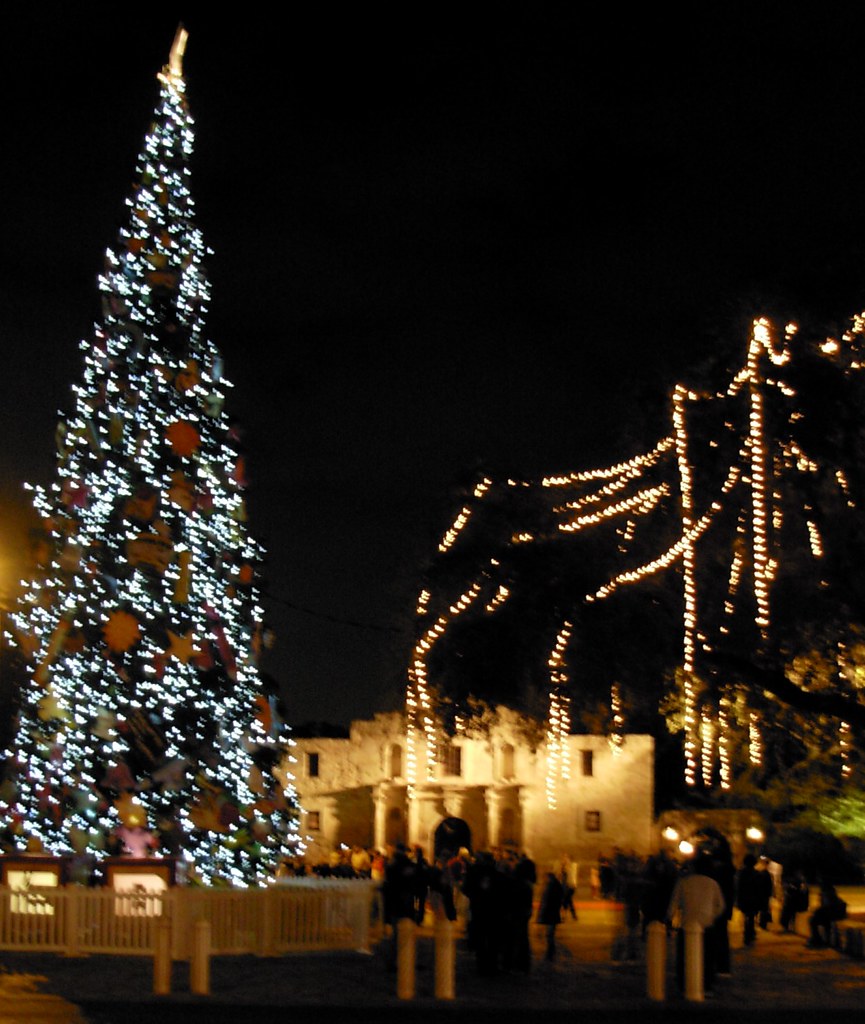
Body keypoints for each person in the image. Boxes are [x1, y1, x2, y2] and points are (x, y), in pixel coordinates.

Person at [667, 854, 726, 996]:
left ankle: (683, 984)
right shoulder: (712, 884)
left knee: (684, 957)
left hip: (687, 924)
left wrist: (669, 919)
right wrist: (711, 915)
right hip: (707, 925)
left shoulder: (684, 882)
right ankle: (706, 985)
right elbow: (721, 906)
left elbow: (673, 905)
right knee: (708, 958)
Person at [807, 878, 847, 948]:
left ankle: (817, 939)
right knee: (816, 920)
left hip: (832, 915)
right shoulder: (830, 893)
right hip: (831, 914)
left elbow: (826, 906)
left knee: (814, 921)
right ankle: (817, 939)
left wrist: (817, 910)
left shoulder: (827, 894)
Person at [537, 870, 565, 961]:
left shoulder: (550, 887)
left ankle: (550, 953)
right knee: (550, 934)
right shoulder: (556, 886)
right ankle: (551, 952)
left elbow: (545, 902)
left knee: (549, 935)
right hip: (553, 913)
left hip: (549, 914)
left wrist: (540, 917)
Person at [735, 854, 762, 946]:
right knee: (751, 918)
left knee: (746, 917)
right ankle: (749, 934)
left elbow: (739, 887)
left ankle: (747, 935)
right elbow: (759, 889)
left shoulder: (742, 873)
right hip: (754, 899)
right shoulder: (757, 874)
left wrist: (738, 900)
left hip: (744, 899)